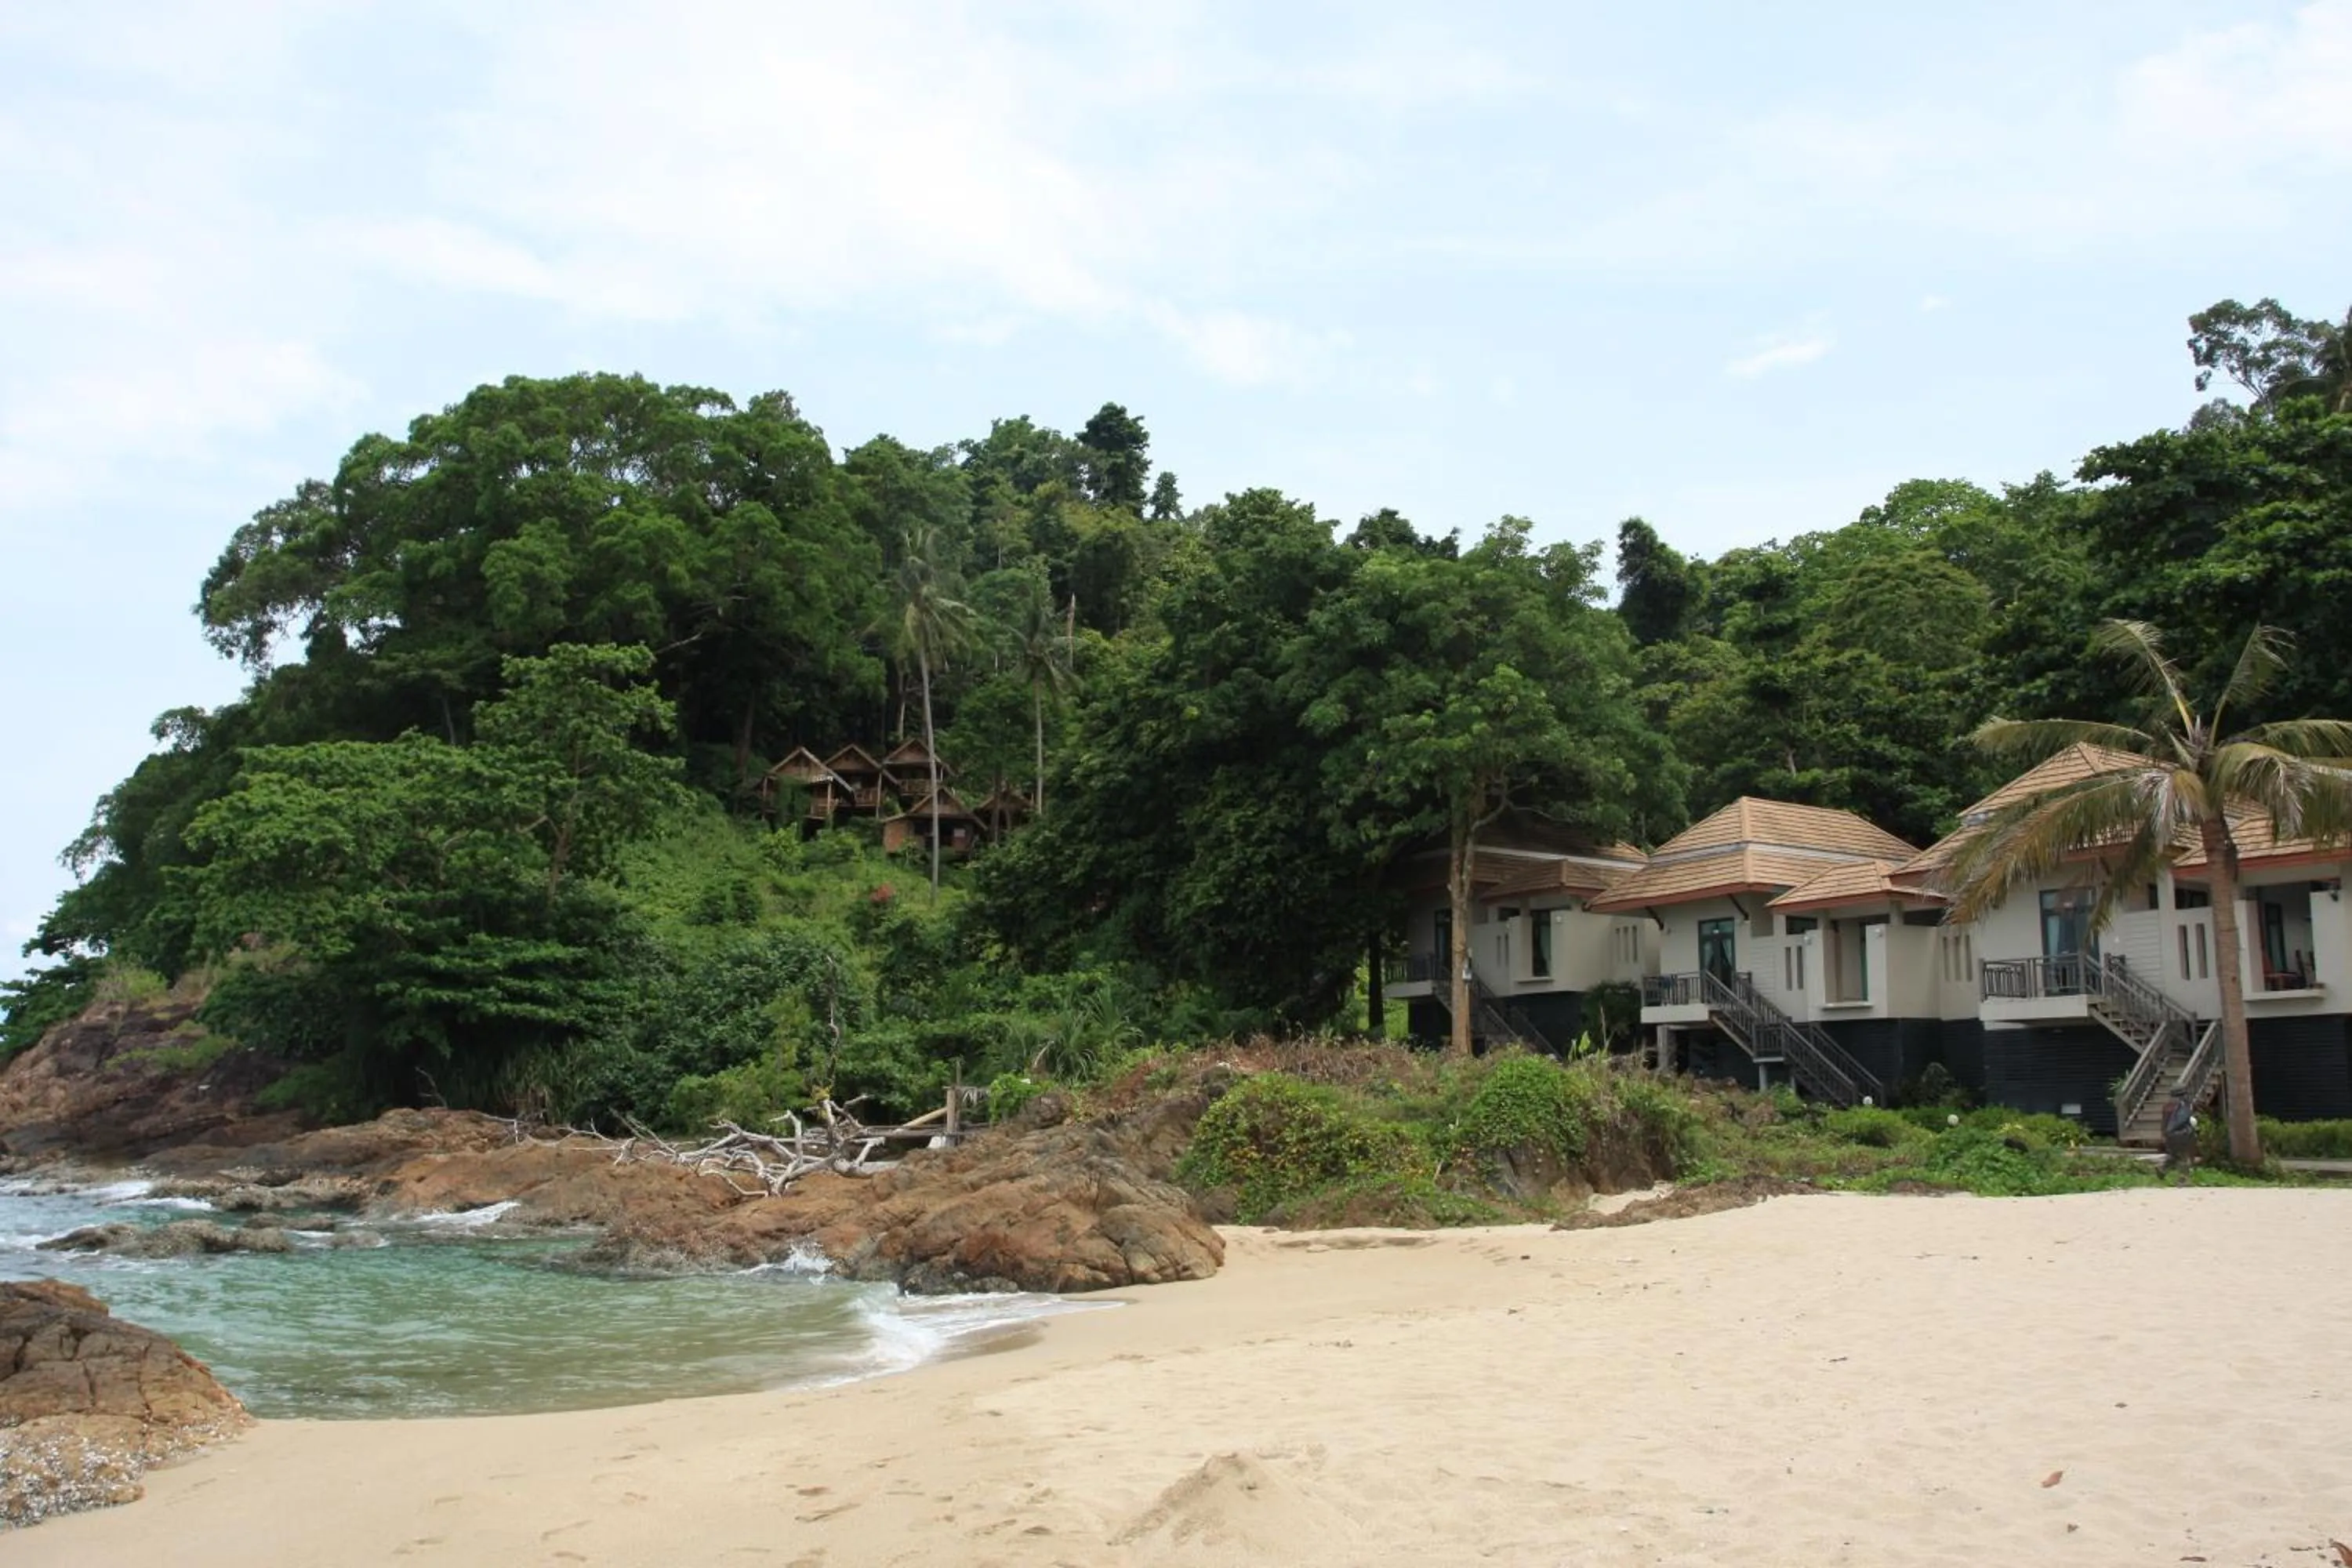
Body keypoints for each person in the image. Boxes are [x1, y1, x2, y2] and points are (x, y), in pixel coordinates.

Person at [2160, 1092, 2197, 1184]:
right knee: (2184, 1157)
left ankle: (2162, 1169)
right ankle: (2183, 1180)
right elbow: (2188, 1121)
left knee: (2174, 1155)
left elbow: (2164, 1122)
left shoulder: (2167, 1107)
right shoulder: (2185, 1105)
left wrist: (2164, 1134)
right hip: (2182, 1135)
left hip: (2170, 1135)